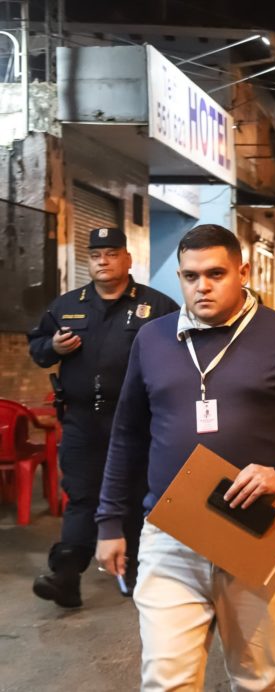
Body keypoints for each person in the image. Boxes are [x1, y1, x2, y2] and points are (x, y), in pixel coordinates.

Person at [95, 224, 275, 691]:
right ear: (179, 277)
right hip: (171, 535)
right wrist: (110, 522)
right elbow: (127, 434)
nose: (202, 287)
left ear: (242, 272)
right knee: (165, 681)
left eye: (216, 274)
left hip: (256, 531)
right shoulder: (152, 340)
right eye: (190, 276)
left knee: (258, 682)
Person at [27, 227, 178, 608]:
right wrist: (53, 346)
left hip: (138, 423)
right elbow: (38, 348)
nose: (103, 261)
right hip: (82, 421)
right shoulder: (67, 305)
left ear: (127, 259)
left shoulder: (157, 306)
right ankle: (66, 576)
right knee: (81, 495)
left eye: (111, 254)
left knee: (137, 494)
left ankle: (135, 571)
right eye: (96, 255)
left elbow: (184, 353)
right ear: (89, 261)